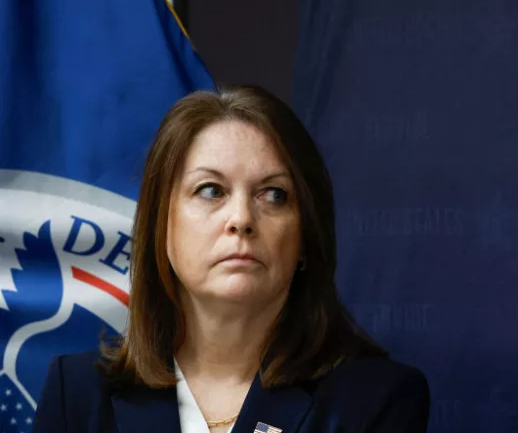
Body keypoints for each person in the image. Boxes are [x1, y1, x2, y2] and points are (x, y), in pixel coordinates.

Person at [33, 85, 430, 433]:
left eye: (274, 194)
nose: (241, 219)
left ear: (306, 237)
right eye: (211, 190)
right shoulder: (78, 395)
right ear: (162, 225)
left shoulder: (377, 400)